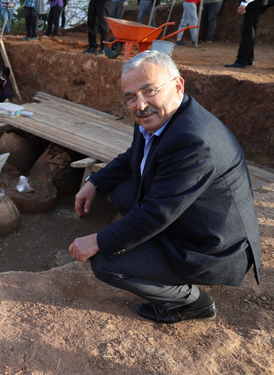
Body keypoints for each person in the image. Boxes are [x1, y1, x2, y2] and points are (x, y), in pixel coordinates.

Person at [69, 50, 261, 324]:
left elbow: (156, 213)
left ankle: (191, 302)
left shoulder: (193, 140)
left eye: (149, 90)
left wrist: (98, 240)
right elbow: (134, 156)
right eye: (131, 97)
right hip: (189, 217)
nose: (141, 104)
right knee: (121, 190)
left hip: (212, 247)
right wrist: (94, 182)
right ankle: (149, 248)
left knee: (107, 263)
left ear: (178, 85)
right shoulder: (157, 118)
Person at [224, 0, 274, 68]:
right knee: (250, 28)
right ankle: (248, 59)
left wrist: (244, 2)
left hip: (254, 2)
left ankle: (243, 60)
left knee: (248, 28)